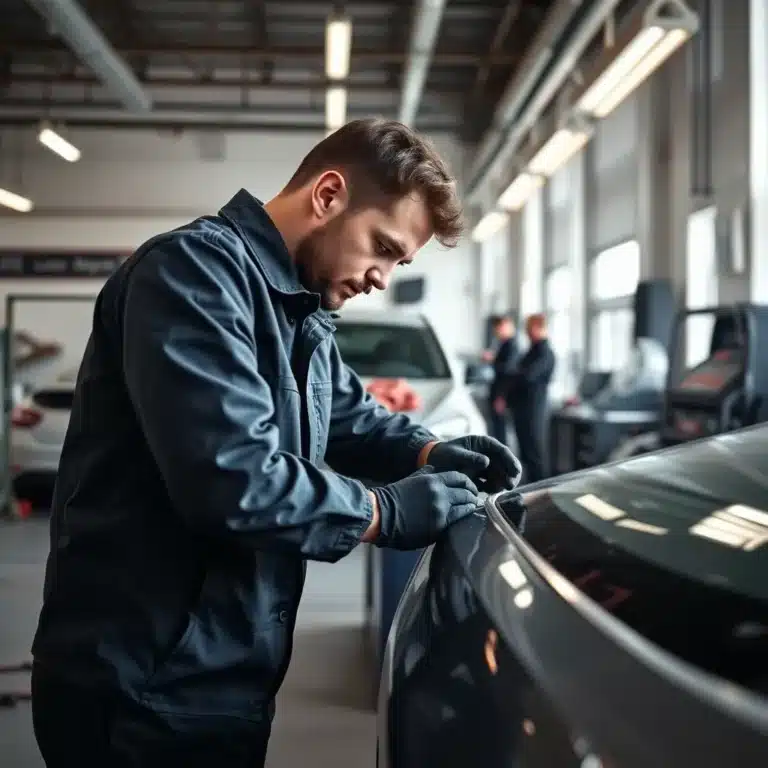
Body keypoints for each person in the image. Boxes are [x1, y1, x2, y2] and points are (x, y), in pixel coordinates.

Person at [29, 118, 522, 768]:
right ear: (327, 196)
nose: (381, 276)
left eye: (398, 263)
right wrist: (384, 511)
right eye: (382, 246)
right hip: (140, 680)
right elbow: (230, 477)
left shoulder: (300, 308)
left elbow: (348, 414)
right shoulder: (193, 275)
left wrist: (429, 451)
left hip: (223, 675)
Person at [508, 313, 555, 483]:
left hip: (534, 409)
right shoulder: (531, 351)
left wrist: (516, 373)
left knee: (535, 454)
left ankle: (541, 489)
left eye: (530, 329)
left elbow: (528, 376)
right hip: (522, 407)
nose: (527, 333)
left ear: (539, 328)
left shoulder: (545, 353)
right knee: (524, 453)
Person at [484, 315, 519, 444]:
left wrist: (501, 397)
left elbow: (508, 373)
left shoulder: (511, 346)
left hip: (502, 393)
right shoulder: (502, 344)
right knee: (496, 430)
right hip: (498, 392)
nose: (496, 331)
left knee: (500, 431)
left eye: (499, 327)